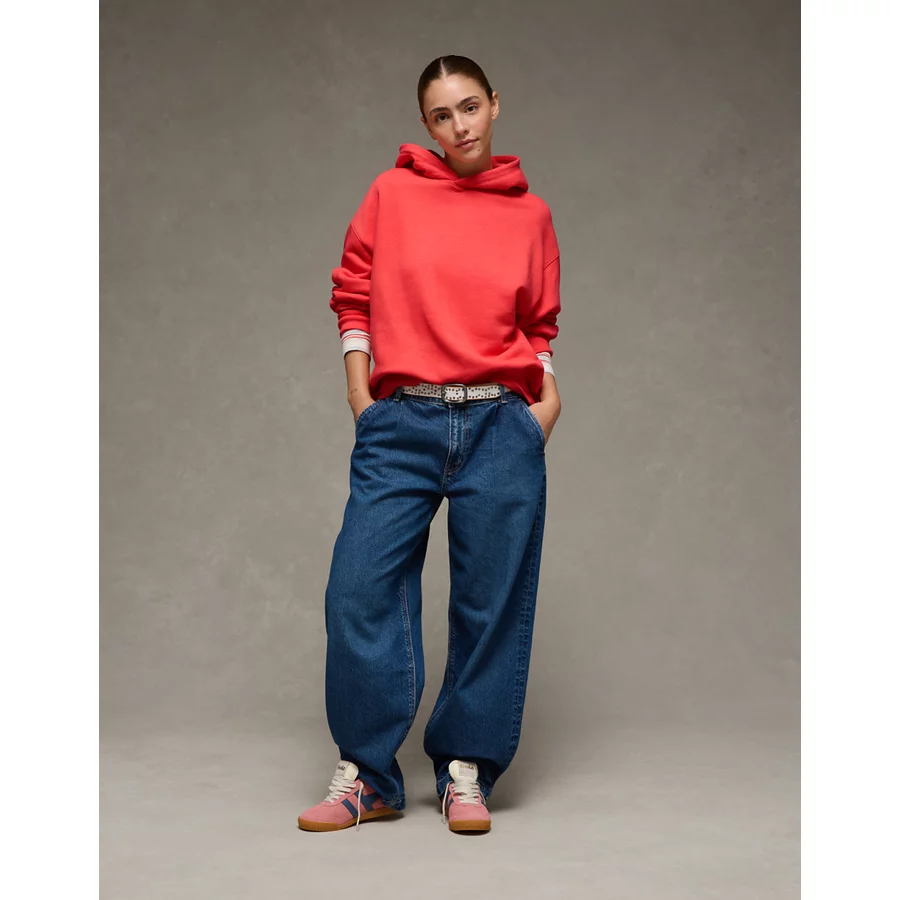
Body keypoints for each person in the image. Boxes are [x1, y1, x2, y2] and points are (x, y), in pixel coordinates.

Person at [297, 55, 562, 835]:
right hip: (402, 421)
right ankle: (368, 777)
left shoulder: (531, 214)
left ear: (495, 105)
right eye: (442, 115)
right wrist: (361, 397)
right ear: (427, 124)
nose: (460, 126)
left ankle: (465, 770)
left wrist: (542, 405)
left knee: (490, 604)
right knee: (358, 590)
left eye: (470, 107)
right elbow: (353, 293)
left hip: (500, 424)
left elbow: (538, 324)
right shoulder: (392, 193)